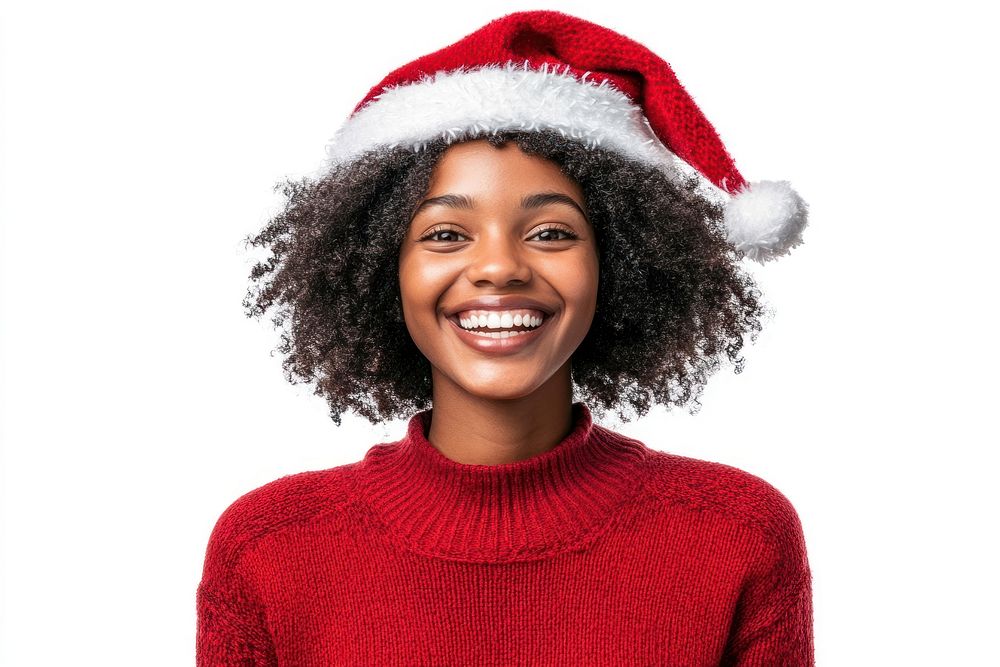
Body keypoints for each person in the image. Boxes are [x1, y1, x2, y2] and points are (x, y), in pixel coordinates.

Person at [196, 10, 814, 666]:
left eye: (551, 232)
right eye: (445, 234)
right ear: (382, 269)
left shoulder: (735, 535)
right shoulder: (271, 547)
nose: (499, 267)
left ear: (621, 262)